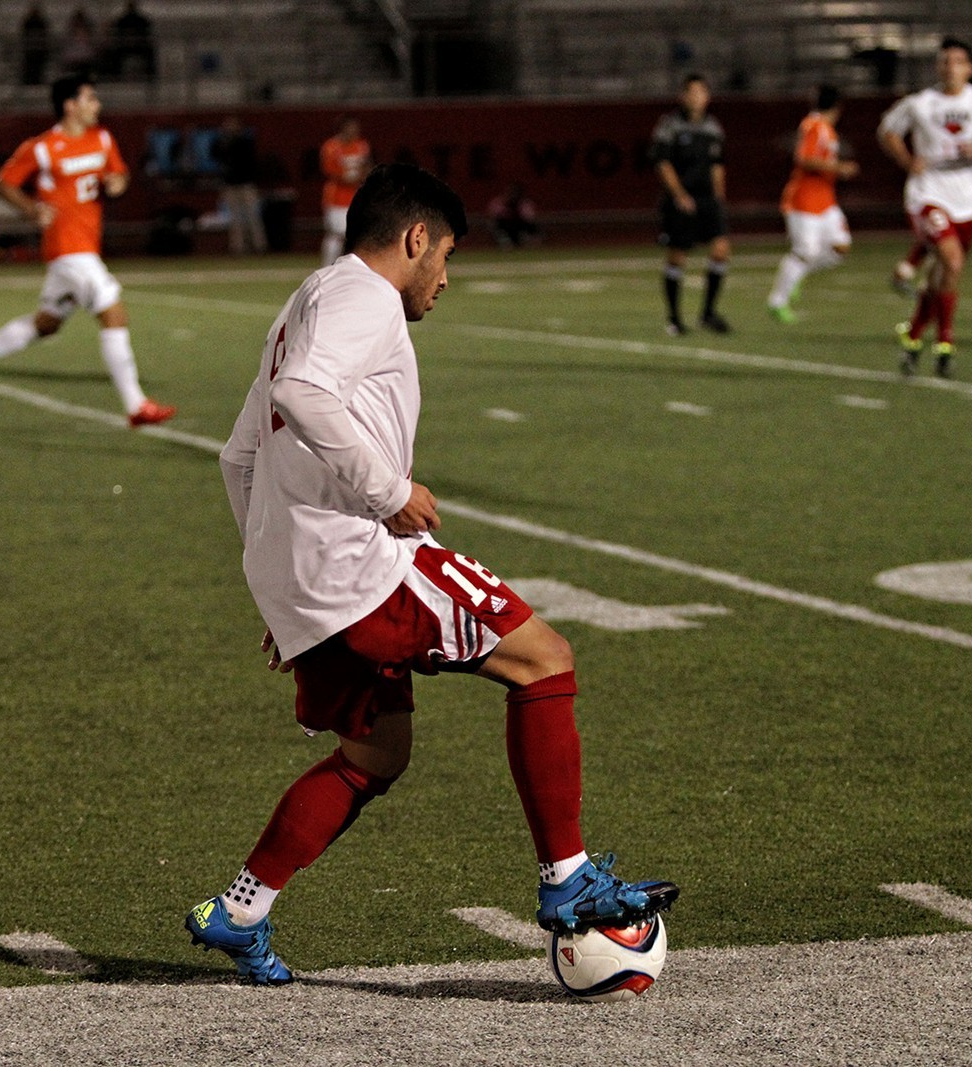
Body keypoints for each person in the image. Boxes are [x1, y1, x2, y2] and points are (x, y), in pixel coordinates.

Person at [185, 163, 679, 985]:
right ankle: (568, 879)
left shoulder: (306, 297)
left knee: (375, 753)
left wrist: (277, 587)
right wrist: (390, 491)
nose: (445, 278)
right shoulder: (365, 297)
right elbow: (306, 395)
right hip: (359, 558)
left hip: (304, 571)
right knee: (544, 657)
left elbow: (238, 455)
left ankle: (241, 911)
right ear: (415, 238)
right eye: (445, 255)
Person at [0, 75, 176, 428]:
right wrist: (32, 209)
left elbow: (118, 174)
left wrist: (118, 182)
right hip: (68, 249)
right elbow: (2, 182)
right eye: (90, 98)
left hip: (84, 249)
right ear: (70, 105)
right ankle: (136, 405)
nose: (97, 105)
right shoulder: (42, 147)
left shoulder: (102, 138)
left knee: (47, 324)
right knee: (114, 315)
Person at [878, 37, 972, 378]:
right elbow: (888, 131)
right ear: (937, 67)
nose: (950, 67)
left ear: (969, 68)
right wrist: (908, 161)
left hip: (966, 203)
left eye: (957, 61)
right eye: (944, 61)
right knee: (951, 260)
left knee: (945, 274)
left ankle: (913, 338)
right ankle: (946, 342)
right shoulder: (920, 103)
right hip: (927, 196)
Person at [767, 85, 859, 323]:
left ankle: (797, 276)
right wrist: (840, 168)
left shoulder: (825, 129)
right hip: (803, 200)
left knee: (841, 248)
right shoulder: (814, 126)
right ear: (838, 107)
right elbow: (804, 159)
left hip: (825, 200)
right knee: (805, 252)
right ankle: (778, 301)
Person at [650, 73, 732, 335]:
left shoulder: (713, 127)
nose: (697, 98)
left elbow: (718, 165)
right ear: (683, 96)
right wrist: (679, 194)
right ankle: (674, 318)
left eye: (702, 93)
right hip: (681, 198)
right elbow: (662, 162)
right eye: (692, 93)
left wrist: (719, 198)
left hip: (708, 198)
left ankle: (708, 313)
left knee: (720, 249)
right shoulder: (669, 125)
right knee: (677, 256)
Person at [318, 116, 371, 266]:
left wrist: (364, 176)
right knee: (337, 234)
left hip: (356, 197)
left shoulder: (361, 145)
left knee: (357, 236)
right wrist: (352, 179)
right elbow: (330, 172)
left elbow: (367, 164)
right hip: (336, 198)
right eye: (350, 128)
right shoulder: (331, 147)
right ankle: (327, 267)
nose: (354, 131)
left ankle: (352, 269)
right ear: (343, 128)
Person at [214, 115, 267, 255]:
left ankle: (259, 245)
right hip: (231, 184)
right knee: (234, 218)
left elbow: (250, 163)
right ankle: (238, 247)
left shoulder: (245, 142)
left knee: (253, 216)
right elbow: (215, 155)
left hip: (246, 184)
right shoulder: (222, 142)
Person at [487, 182, 540, 249]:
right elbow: (492, 217)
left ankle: (526, 239)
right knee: (498, 223)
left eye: (515, 192)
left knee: (530, 226)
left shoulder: (525, 203)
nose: (513, 195)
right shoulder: (498, 202)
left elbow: (530, 219)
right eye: (511, 192)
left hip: (519, 227)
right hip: (505, 228)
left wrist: (518, 211)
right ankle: (504, 240)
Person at [19, 3, 51, 87]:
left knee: (38, 66)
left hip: (39, 49)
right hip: (30, 49)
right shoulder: (28, 22)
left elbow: (44, 35)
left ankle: (37, 80)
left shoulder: (41, 22)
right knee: (30, 65)